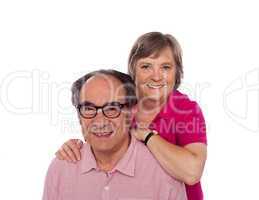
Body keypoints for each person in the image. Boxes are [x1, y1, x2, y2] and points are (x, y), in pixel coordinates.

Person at [56, 32, 207, 200]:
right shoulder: (120, 102)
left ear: (176, 72)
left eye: (165, 67)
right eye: (146, 66)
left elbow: (192, 172)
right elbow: (100, 141)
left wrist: (146, 135)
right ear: (133, 70)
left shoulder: (187, 109)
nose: (156, 76)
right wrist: (74, 147)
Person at [43, 70, 187, 200]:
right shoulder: (62, 168)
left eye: (112, 108)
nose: (100, 121)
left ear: (132, 112)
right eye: (88, 108)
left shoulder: (163, 173)